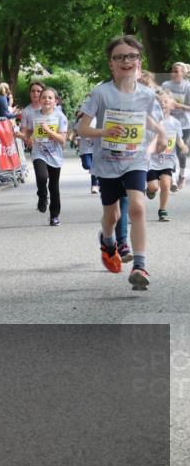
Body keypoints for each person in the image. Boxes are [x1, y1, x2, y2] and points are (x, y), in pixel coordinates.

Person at [77, 35, 165, 291]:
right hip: (107, 163)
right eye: (120, 57)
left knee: (137, 207)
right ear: (111, 64)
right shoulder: (101, 93)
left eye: (132, 56)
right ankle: (106, 241)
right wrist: (104, 132)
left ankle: (140, 265)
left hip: (135, 159)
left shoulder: (148, 95)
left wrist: (160, 133)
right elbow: (82, 128)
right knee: (112, 215)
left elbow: (149, 121)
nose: (126, 61)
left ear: (139, 61)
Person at [146, 90, 187, 221]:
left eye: (165, 101)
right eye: (159, 102)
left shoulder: (175, 123)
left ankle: (162, 210)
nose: (162, 103)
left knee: (165, 184)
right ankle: (150, 191)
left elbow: (178, 139)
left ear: (173, 105)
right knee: (153, 187)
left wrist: (183, 146)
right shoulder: (152, 121)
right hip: (152, 161)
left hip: (168, 160)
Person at [31, 87, 68, 226]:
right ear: (39, 100)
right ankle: (42, 195)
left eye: (50, 98)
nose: (47, 100)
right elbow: (29, 131)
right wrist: (25, 136)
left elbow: (62, 139)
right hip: (39, 152)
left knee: (54, 186)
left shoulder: (60, 117)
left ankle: (54, 216)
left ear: (56, 101)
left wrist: (47, 130)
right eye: (44, 97)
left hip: (55, 155)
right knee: (42, 177)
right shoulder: (34, 115)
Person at [161, 62, 190, 191]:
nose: (173, 73)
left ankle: (182, 176)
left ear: (183, 73)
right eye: (172, 70)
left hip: (184, 123)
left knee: (181, 152)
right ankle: (170, 178)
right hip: (168, 122)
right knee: (168, 150)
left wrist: (178, 106)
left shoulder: (188, 87)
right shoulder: (166, 85)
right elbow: (160, 101)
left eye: (177, 71)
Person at [19, 81, 46, 149]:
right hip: (35, 147)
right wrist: (25, 139)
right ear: (30, 93)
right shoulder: (26, 111)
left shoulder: (49, 108)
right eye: (33, 91)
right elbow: (24, 133)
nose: (35, 93)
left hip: (51, 146)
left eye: (38, 91)